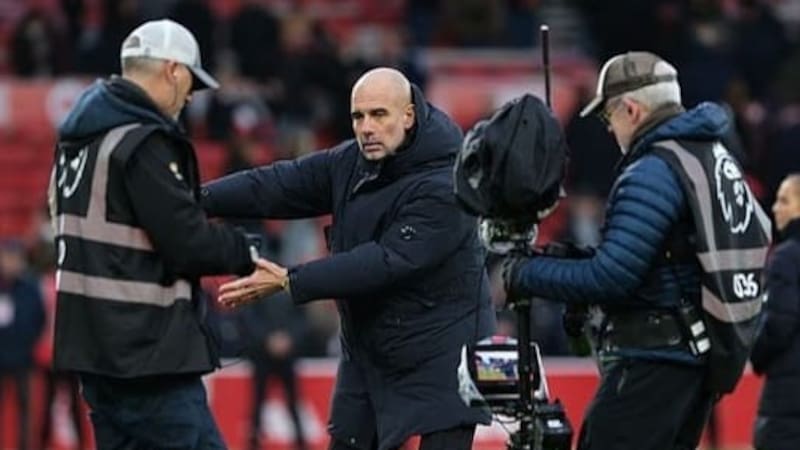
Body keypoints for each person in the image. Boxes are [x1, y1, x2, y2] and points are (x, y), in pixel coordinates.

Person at [201, 67, 495, 450]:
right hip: (371, 350)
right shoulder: (350, 162)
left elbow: (386, 261)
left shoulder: (446, 182)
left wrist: (290, 279)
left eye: (379, 114)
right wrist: (196, 199)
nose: (366, 128)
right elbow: (277, 185)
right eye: (358, 116)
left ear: (408, 116)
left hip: (443, 355)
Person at [503, 51, 768, 450]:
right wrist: (570, 260)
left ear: (631, 109)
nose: (609, 129)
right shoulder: (710, 156)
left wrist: (524, 274)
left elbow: (611, 278)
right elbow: (660, 258)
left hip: (655, 362)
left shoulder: (653, 170)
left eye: (607, 116)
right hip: (696, 358)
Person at [50, 19, 264, 449]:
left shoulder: (77, 145)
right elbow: (188, 243)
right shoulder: (142, 143)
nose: (190, 97)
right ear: (172, 70)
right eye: (190, 83)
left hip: (96, 353)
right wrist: (246, 252)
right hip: (147, 353)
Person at [750, 174, 800, 450]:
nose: (775, 207)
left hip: (788, 397)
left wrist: (756, 353)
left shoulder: (786, 257)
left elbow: (780, 322)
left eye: (784, 201)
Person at [0, 240, 45, 450]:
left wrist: (28, 344)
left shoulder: (30, 287)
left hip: (23, 359)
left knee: (26, 409)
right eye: (7, 258)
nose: (11, 263)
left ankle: (25, 446)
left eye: (15, 258)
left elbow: (39, 319)